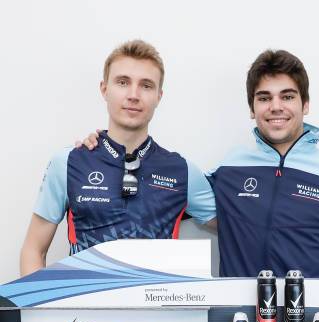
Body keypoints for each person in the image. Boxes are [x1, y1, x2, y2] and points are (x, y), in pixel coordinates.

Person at [78, 49, 319, 281]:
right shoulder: (228, 171)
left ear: (305, 104)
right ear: (252, 109)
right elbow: (157, 191)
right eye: (264, 98)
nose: (275, 106)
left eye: (287, 96)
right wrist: (106, 151)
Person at [20, 40, 216, 276]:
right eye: (123, 82)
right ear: (104, 89)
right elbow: (34, 250)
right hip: (85, 311)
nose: (133, 95)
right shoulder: (69, 162)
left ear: (159, 96)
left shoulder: (182, 171)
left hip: (160, 311)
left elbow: (242, 222)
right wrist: (40, 311)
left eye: (146, 85)